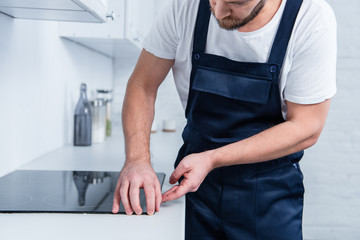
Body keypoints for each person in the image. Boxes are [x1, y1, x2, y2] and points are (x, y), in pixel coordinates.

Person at [112, 0, 337, 239]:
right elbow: (142, 85)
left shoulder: (310, 19)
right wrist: (137, 159)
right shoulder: (184, 6)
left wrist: (212, 159)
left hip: (269, 195)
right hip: (195, 189)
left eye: (235, 3)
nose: (218, 13)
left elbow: (307, 126)